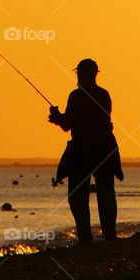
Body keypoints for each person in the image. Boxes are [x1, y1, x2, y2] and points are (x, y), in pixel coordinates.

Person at [49, 59, 123, 243]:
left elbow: (68, 124)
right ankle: (110, 236)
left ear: (81, 74)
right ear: (96, 73)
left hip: (82, 149)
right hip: (105, 147)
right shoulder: (104, 94)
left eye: (79, 74)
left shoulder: (76, 96)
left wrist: (57, 117)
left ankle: (85, 238)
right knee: (106, 192)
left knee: (77, 196)